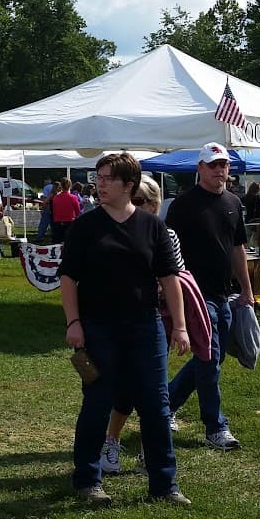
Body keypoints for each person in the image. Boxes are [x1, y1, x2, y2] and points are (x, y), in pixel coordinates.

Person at [61, 153, 191, 507]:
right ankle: (88, 480)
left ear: (128, 185)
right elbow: (68, 278)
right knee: (98, 402)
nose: (99, 184)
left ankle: (164, 485)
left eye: (107, 178)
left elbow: (169, 278)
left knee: (156, 405)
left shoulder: (153, 227)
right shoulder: (86, 226)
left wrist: (179, 326)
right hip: (98, 327)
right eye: (98, 177)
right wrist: (74, 323)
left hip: (145, 327)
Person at [164, 143, 253, 453]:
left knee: (211, 358)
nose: (219, 170)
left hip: (223, 293)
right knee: (210, 358)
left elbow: (237, 248)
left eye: (224, 165)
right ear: (199, 168)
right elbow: (168, 252)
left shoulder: (233, 202)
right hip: (195, 294)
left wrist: (246, 287)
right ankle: (216, 427)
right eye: (213, 164)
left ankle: (167, 405)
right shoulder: (183, 205)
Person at [99, 175, 189, 473]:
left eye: (137, 201)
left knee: (154, 393)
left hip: (154, 320)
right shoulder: (110, 231)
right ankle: (110, 442)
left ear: (153, 204)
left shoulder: (165, 234)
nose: (130, 206)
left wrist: (179, 324)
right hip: (118, 319)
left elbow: (175, 276)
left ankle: (150, 456)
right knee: (124, 387)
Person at [51, 178, 82, 244]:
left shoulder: (56, 197)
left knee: (57, 244)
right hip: (70, 223)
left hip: (58, 223)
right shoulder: (73, 197)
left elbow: (54, 211)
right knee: (70, 243)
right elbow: (78, 212)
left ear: (61, 186)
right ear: (70, 186)